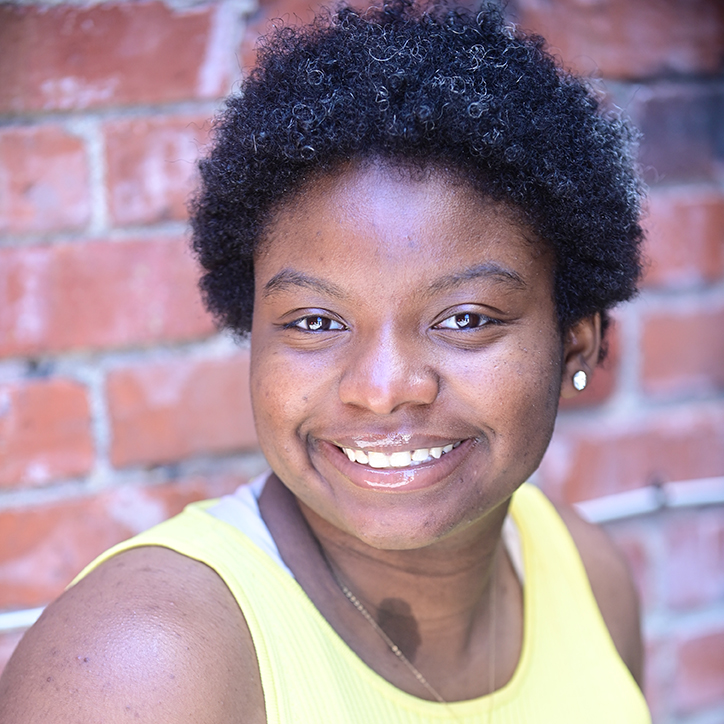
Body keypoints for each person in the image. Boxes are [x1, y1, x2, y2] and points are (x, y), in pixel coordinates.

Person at [0, 2, 651, 722]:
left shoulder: (587, 577)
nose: (383, 390)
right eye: (315, 321)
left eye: (464, 320)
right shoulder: (142, 667)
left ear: (576, 342)